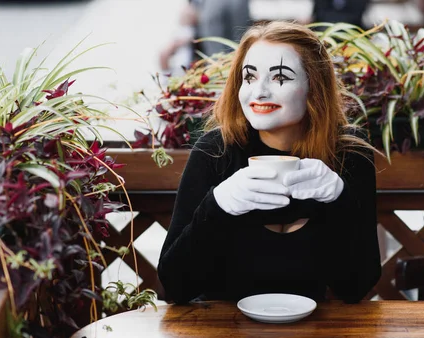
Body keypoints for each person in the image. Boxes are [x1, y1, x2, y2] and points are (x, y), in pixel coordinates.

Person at [158, 21, 381, 305]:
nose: (259, 92)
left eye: (280, 78)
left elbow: (355, 287)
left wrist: (340, 200)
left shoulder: (349, 153)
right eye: (249, 78)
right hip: (219, 337)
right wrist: (218, 206)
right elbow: (173, 289)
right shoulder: (215, 151)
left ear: (314, 86)